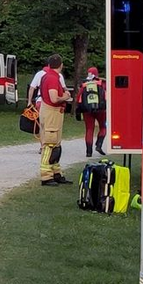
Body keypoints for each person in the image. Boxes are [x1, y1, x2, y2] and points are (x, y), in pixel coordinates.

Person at [37, 53, 73, 187]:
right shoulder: (52, 78)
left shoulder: (48, 76)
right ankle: (46, 176)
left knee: (56, 145)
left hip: (54, 113)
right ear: (61, 65)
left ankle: (56, 173)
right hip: (52, 112)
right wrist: (65, 96)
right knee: (50, 144)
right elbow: (54, 98)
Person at [75, 65, 108, 158]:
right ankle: (99, 145)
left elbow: (79, 97)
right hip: (101, 109)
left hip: (87, 110)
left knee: (89, 129)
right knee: (103, 127)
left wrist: (79, 109)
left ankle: (88, 152)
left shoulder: (84, 84)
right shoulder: (102, 83)